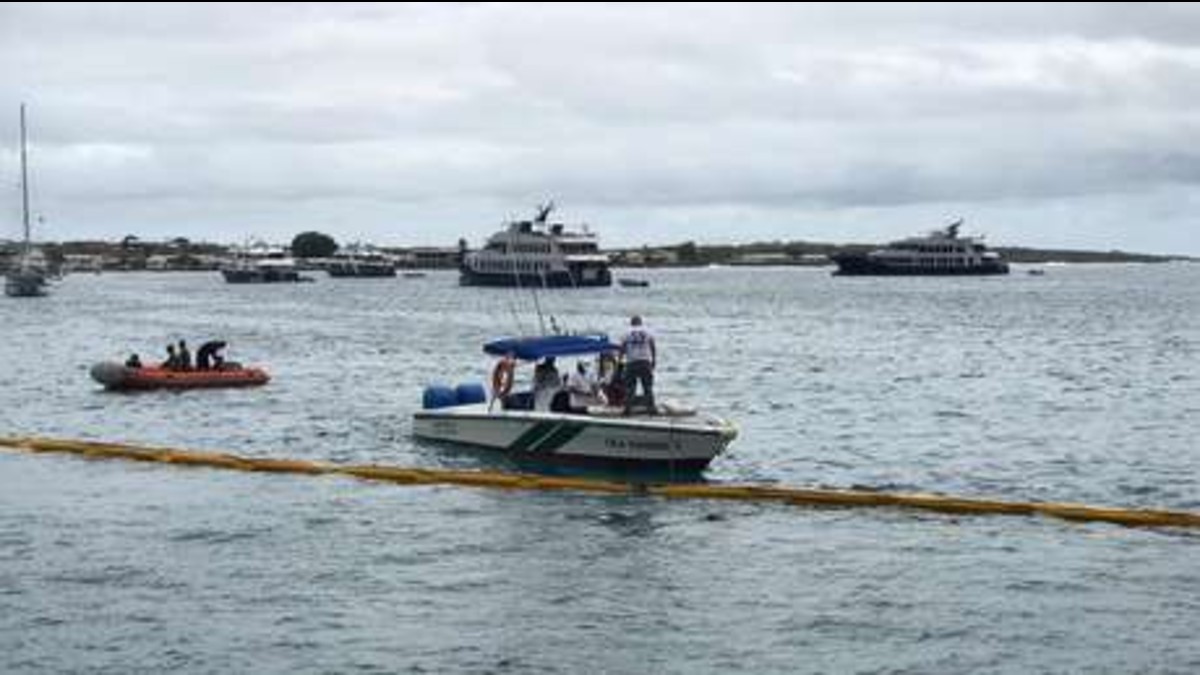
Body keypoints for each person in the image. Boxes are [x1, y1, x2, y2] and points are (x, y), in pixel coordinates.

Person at [620, 315, 656, 414]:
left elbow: (622, 348)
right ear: (641, 322)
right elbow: (652, 346)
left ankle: (627, 409)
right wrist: (653, 360)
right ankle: (652, 409)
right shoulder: (648, 331)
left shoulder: (626, 333)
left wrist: (620, 361)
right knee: (647, 387)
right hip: (645, 361)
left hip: (632, 362)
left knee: (630, 387)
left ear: (631, 323)